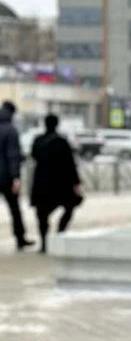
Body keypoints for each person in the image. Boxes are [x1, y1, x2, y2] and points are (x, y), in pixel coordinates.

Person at [30, 113, 83, 254]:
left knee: (42, 215)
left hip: (41, 182)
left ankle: (44, 244)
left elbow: (33, 156)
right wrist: (76, 183)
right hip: (61, 183)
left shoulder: (38, 141)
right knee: (69, 206)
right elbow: (70, 164)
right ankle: (60, 232)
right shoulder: (62, 142)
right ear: (57, 124)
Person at [0, 101, 34, 251]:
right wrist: (16, 177)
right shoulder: (11, 130)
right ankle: (20, 238)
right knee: (15, 209)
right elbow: (13, 155)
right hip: (7, 177)